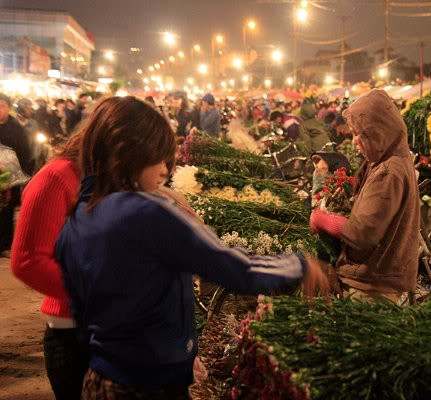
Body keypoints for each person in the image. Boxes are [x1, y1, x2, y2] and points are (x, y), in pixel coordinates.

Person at [55, 96, 328, 399]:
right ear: (127, 154)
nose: (164, 171)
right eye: (157, 159)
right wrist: (298, 265)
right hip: (150, 387)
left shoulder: (78, 217)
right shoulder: (146, 212)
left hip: (102, 380)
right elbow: (232, 267)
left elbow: (81, 314)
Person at [310, 89, 420, 300]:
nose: (354, 141)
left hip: (373, 284)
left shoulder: (389, 171)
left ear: (378, 133)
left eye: (358, 134)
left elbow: (363, 233)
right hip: (374, 276)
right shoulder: (388, 160)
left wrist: (325, 221)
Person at [11, 133, 87, 400]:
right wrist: (101, 295)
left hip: (109, 327)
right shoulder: (57, 177)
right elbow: (29, 262)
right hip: (73, 331)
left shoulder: (106, 177)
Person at [0, 93, 34, 255]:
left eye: (2, 106)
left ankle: (6, 245)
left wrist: (22, 174)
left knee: (7, 210)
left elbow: (24, 152)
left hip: (9, 178)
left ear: (8, 108)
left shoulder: (15, 128)